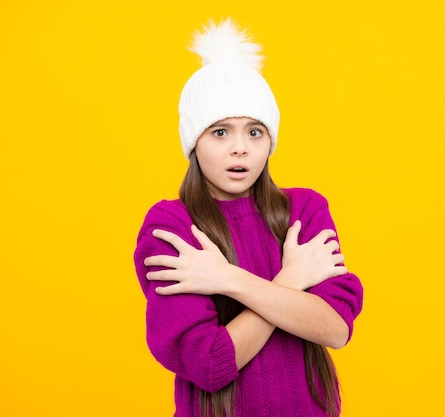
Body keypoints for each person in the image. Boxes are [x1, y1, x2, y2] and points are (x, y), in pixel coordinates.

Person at [133, 18, 363, 417]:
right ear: (194, 141)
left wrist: (226, 279)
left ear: (269, 140)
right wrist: (292, 281)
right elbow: (210, 363)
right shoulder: (170, 227)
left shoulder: (304, 211)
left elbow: (335, 328)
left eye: (254, 132)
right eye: (220, 132)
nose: (239, 149)